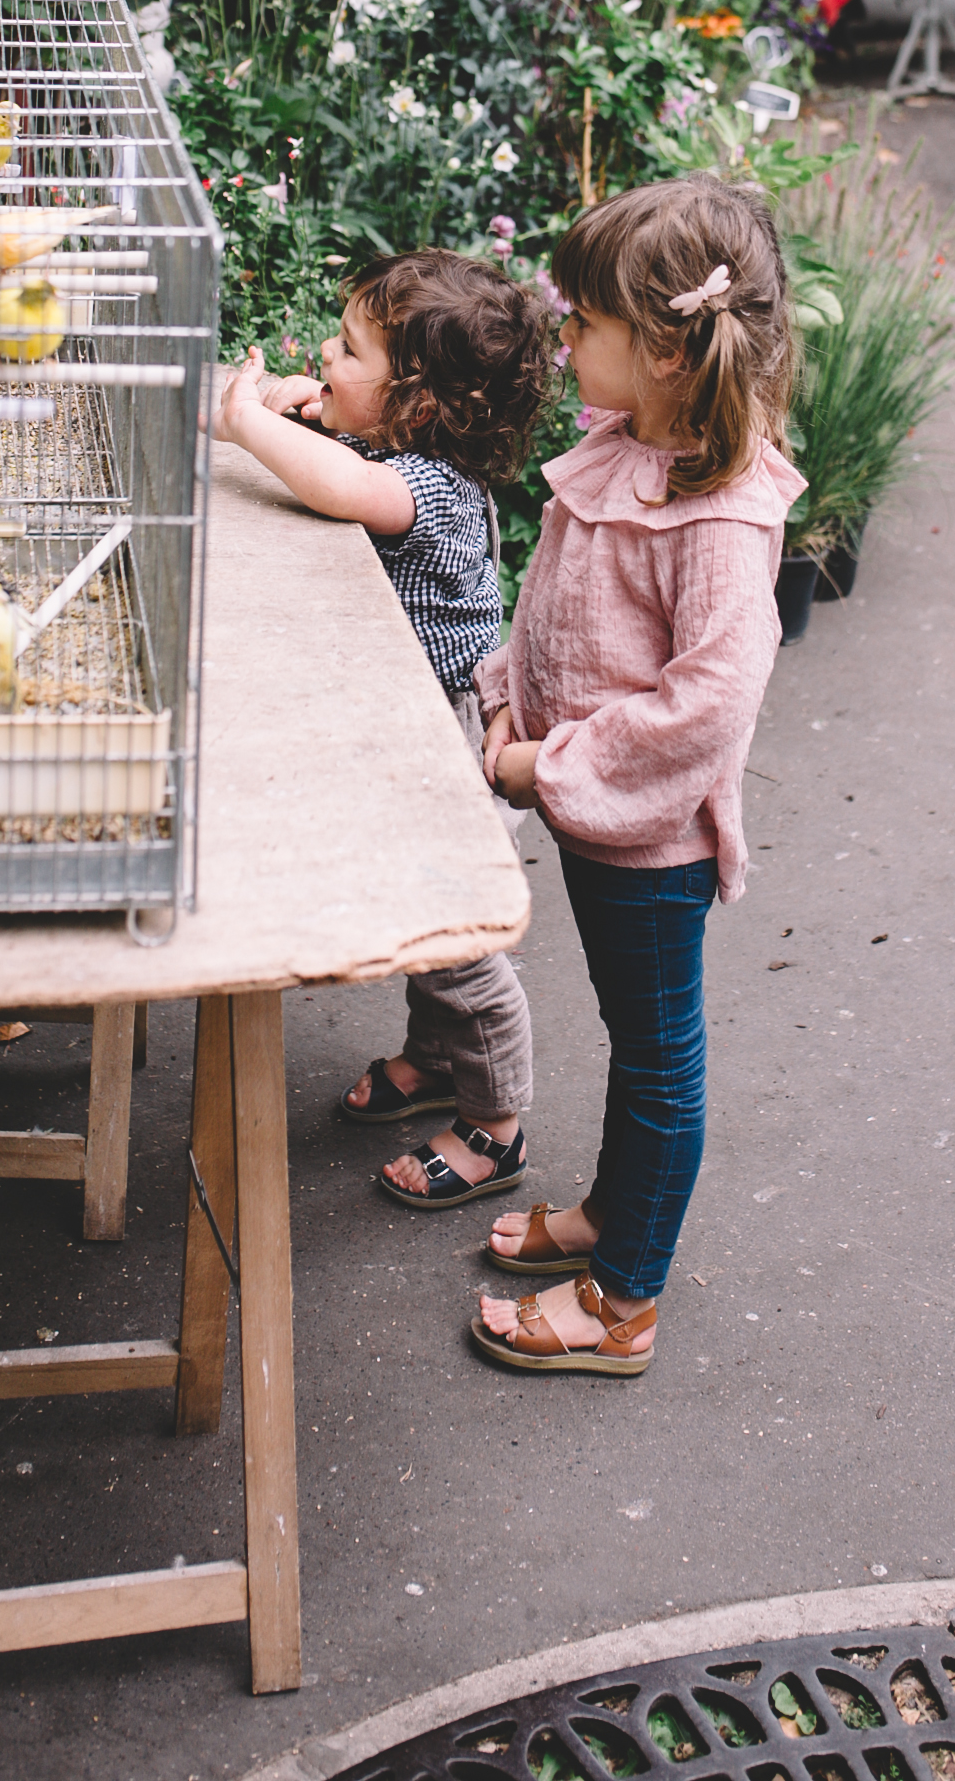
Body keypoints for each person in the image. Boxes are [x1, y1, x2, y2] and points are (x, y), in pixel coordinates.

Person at [469, 175, 804, 1378]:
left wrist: (543, 762)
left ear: (664, 349)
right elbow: (564, 599)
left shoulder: (720, 518)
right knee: (632, 1034)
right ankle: (615, 1218)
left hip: (646, 838)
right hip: (592, 814)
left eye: (581, 326)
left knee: (660, 1052)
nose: (561, 342)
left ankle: (623, 1301)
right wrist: (512, 685)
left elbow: (707, 703)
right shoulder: (629, 446)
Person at [212, 252, 553, 1211]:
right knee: (423, 925)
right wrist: (306, 408)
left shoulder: (434, 493)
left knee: (453, 941)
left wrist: (246, 422)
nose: (326, 348)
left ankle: (497, 1123)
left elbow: (345, 491)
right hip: (409, 726)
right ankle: (437, 1061)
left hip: (447, 746)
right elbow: (343, 464)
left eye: (349, 349)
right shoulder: (400, 457)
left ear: (413, 408)